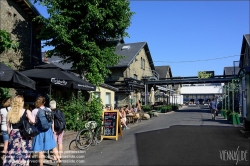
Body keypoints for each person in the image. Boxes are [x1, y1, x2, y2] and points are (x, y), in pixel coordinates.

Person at [3, 95, 35, 165]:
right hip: (24, 135)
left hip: (13, 134)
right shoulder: (27, 111)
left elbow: (8, 127)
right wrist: (28, 121)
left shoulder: (10, 113)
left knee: (12, 154)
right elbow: (33, 121)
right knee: (24, 153)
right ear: (21, 102)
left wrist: (11, 135)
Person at [32, 96, 61, 166]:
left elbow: (33, 122)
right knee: (53, 146)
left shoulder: (35, 111)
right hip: (48, 130)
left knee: (40, 149)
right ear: (44, 102)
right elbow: (51, 120)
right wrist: (53, 129)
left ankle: (41, 164)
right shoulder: (48, 109)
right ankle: (59, 159)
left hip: (39, 131)